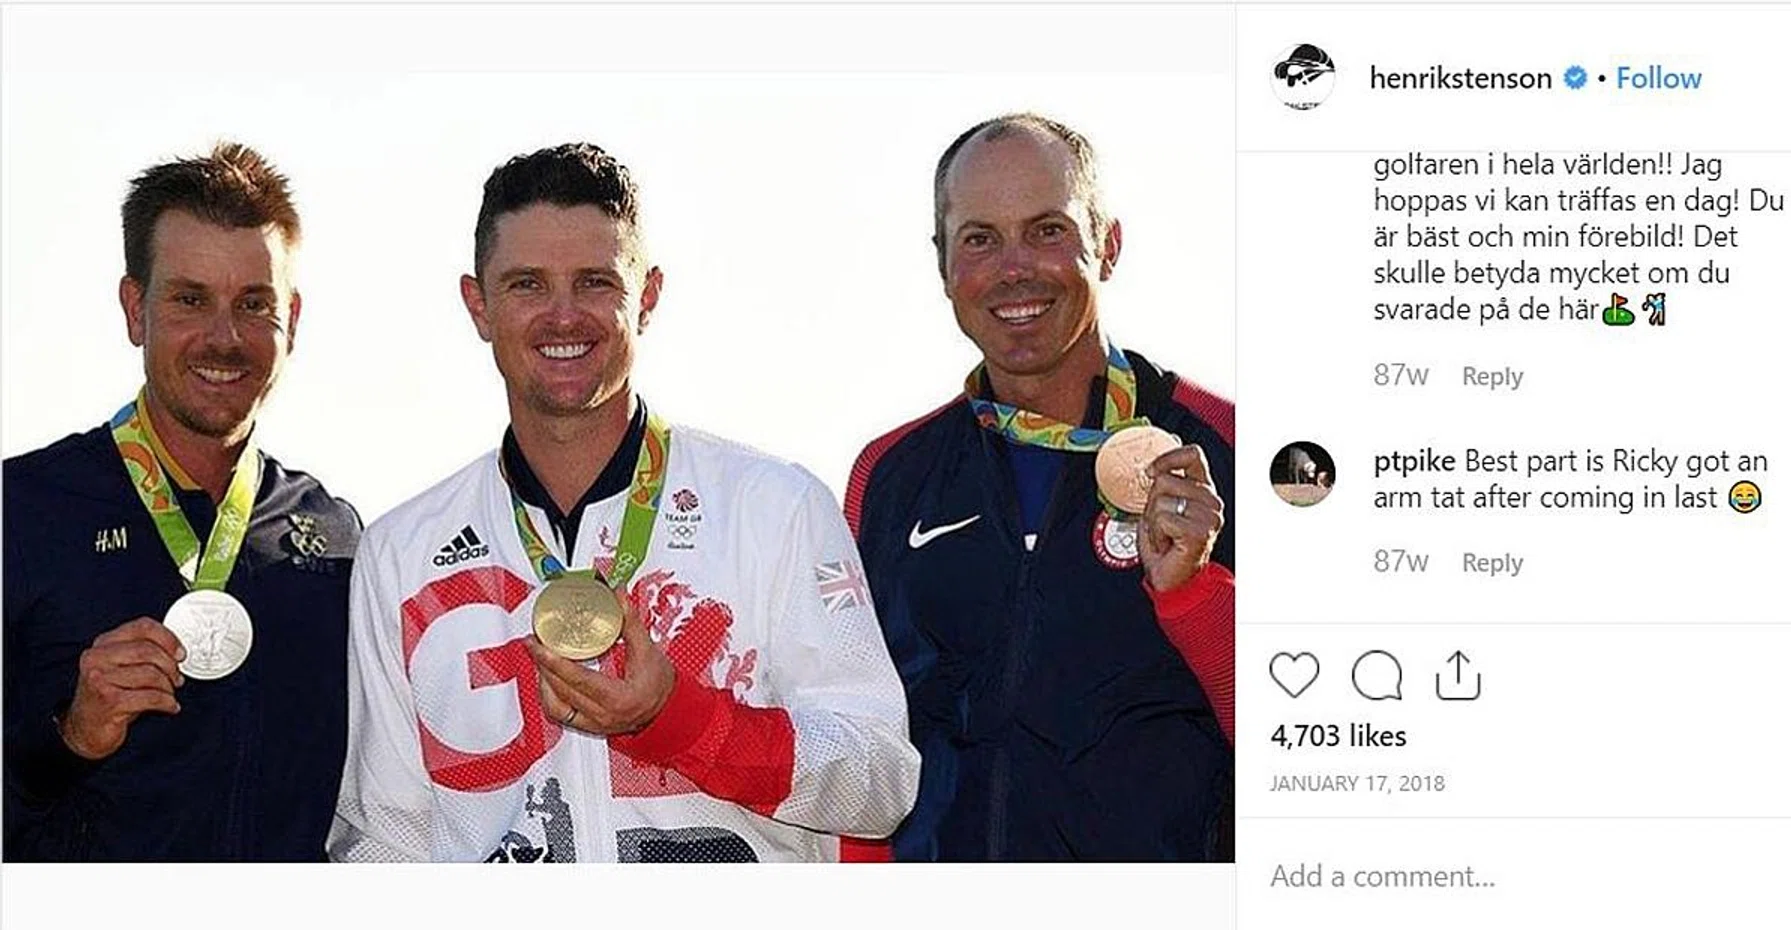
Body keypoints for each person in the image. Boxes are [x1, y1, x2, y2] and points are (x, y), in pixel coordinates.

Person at [329, 143, 918, 863]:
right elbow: (387, 841)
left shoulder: (775, 509)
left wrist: (680, 718)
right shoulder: (401, 552)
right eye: (526, 285)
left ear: (648, 295)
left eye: (596, 282)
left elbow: (882, 780)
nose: (564, 316)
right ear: (477, 305)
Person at [844, 114, 1235, 861]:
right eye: (980, 239)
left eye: (1048, 230)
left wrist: (1193, 596)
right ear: (942, 264)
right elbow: (870, 747)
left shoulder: (1230, 448)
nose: (1013, 267)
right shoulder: (887, 477)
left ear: (1107, 245)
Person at [2, 142, 361, 860]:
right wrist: (66, 736)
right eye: (190, 299)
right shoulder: (21, 512)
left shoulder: (337, 535)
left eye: (253, 304)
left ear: (291, 318)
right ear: (136, 309)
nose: (224, 338)